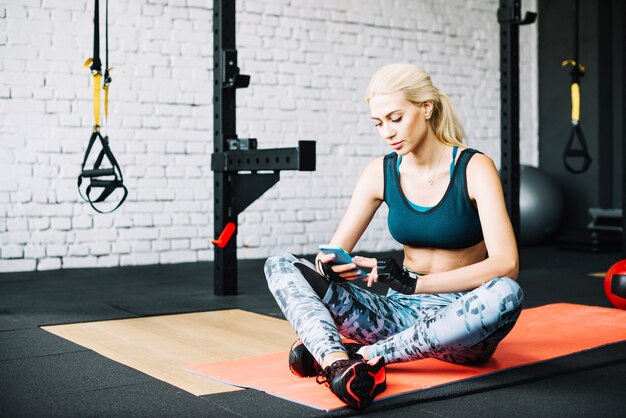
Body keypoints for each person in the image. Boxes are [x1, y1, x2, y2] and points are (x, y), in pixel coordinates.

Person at [264, 63, 523, 409]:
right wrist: (334, 268)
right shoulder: (379, 172)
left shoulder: (475, 167)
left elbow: (507, 264)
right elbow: (332, 252)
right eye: (378, 123)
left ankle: (368, 356)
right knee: (281, 265)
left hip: (463, 322)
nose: (387, 131)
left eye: (395, 118)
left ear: (426, 108)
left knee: (507, 294)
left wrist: (412, 283)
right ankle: (336, 363)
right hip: (396, 314)